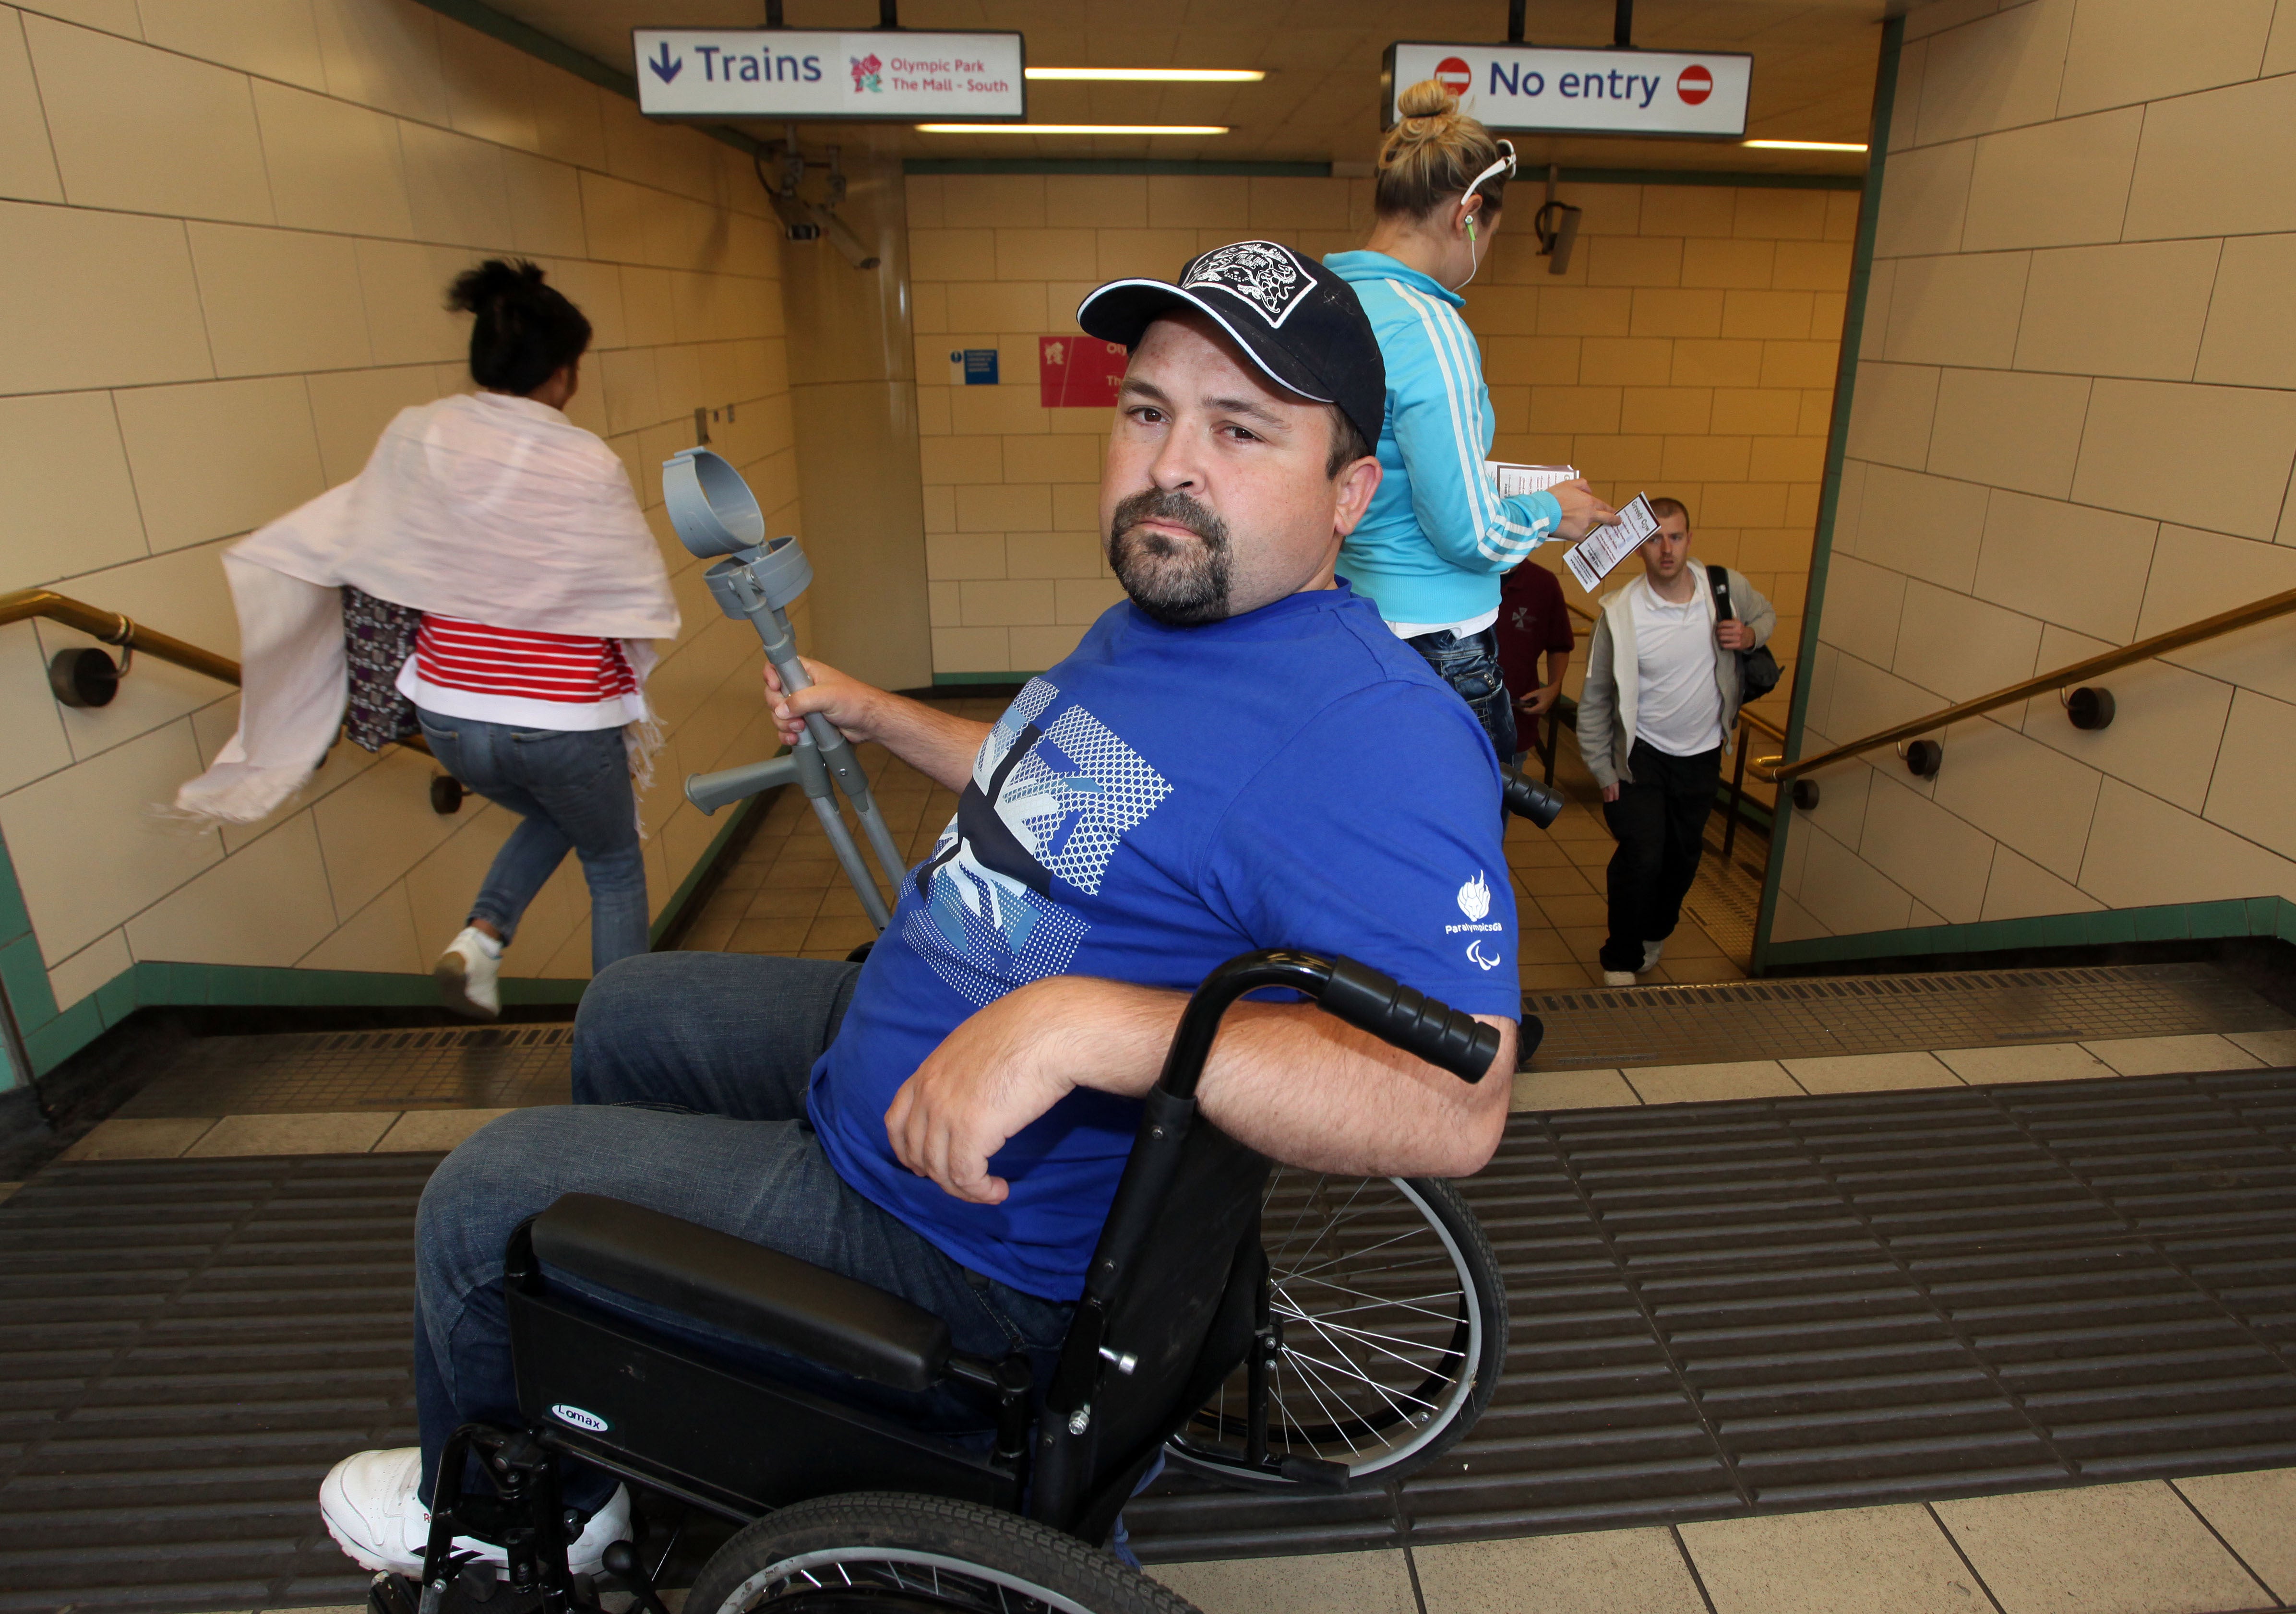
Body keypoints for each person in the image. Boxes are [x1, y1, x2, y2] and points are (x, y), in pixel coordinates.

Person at [317, 242, 1521, 1581]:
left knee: (482, 1197)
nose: (1174, 462)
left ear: (1350, 489)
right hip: (918, 1026)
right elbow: (1069, 785)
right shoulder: (1177, 618)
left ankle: (483, 1528)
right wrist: (879, 713)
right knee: (631, 1009)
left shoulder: (1365, 736)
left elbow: (1454, 1105)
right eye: (1146, 410)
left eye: (1241, 428)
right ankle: (603, 1448)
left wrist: (1081, 1027)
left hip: (959, 1230)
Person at [174, 260, 678, 1020]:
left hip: (448, 715)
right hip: (561, 722)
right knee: (611, 861)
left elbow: (362, 533)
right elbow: (635, 595)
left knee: (558, 815)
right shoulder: (585, 460)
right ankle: (625, 1042)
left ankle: (482, 936)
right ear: (564, 374)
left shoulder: (422, 432)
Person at [1323, 77, 1614, 762]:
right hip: (1438, 642)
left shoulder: (1329, 302)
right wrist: (1551, 511)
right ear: (1468, 213)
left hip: (1349, 618)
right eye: (1490, 233)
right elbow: (1467, 532)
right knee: (1458, 854)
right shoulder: (1430, 327)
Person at [1574, 498, 1774, 987]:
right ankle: (1619, 954)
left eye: (1676, 537)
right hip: (1638, 758)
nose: (1666, 550)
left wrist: (1746, 636)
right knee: (1641, 856)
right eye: (1654, 539)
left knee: (1682, 859)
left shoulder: (1722, 589)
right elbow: (1595, 697)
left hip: (1702, 755)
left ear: (1689, 540)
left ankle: (1654, 930)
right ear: (1638, 547)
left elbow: (1765, 617)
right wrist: (1603, 770)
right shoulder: (1621, 613)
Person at [1495, 555, 1574, 766]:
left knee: (1506, 794)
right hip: (1461, 718)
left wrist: (1554, 688)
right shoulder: (1464, 576)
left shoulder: (1543, 584)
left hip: (1515, 720)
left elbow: (1560, 646)